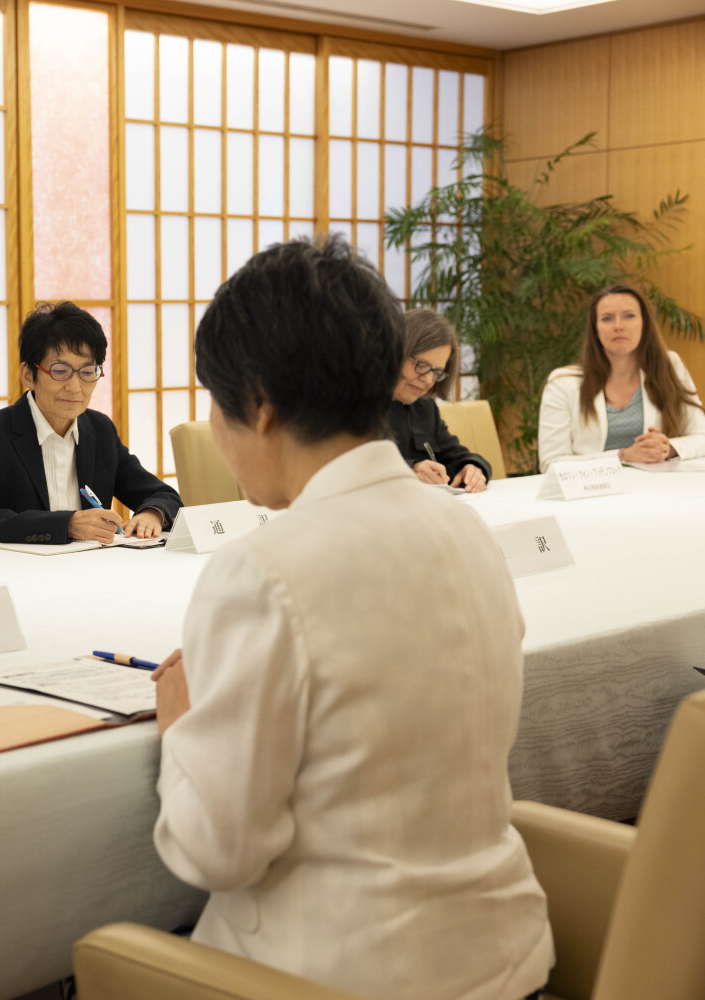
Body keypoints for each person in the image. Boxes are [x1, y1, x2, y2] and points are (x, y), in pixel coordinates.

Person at [149, 236, 553, 1000]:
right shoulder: (465, 529)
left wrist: (179, 729)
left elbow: (217, 852)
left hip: (344, 975)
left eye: (215, 403)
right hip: (509, 962)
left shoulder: (262, 570)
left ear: (259, 403)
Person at [0, 302, 181, 545]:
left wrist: (151, 513)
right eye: (60, 371)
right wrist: (67, 524)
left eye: (87, 372)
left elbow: (163, 495)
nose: (75, 388)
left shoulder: (99, 429)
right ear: (29, 375)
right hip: (21, 571)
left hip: (91, 570)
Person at [537, 284, 705, 472]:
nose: (618, 326)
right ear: (596, 329)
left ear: (644, 323)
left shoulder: (670, 366)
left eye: (629, 316)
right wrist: (622, 456)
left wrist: (669, 449)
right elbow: (550, 463)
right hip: (592, 494)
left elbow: (702, 436)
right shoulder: (563, 383)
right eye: (607, 319)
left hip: (657, 489)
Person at [388, 309, 491, 492]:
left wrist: (472, 468)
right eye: (422, 365)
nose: (428, 380)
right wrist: (409, 470)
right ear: (396, 352)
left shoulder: (425, 407)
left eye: (436, 372)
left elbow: (456, 455)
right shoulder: (356, 404)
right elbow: (349, 466)